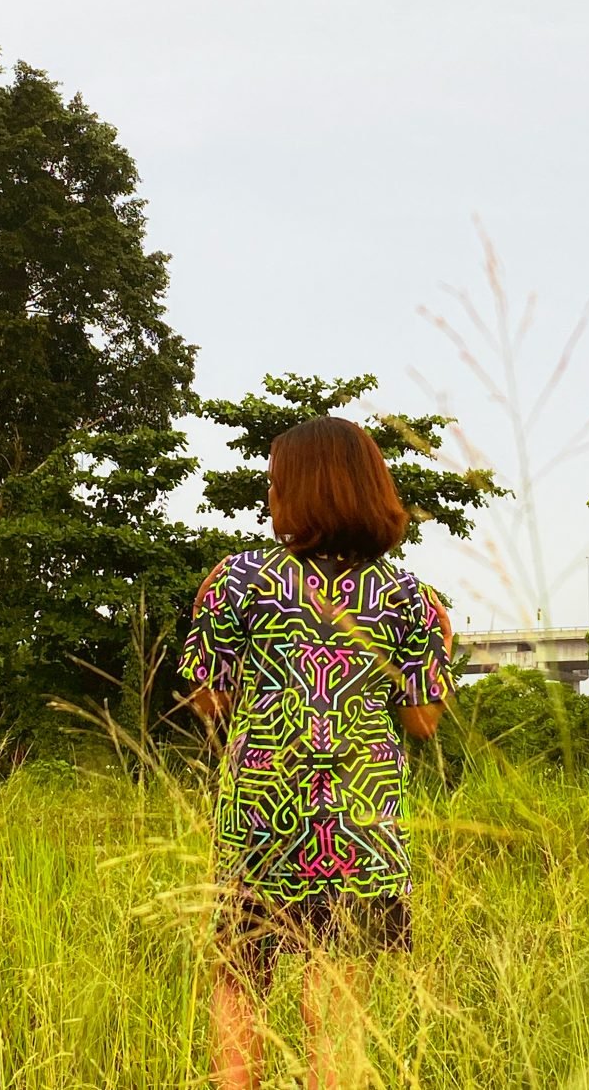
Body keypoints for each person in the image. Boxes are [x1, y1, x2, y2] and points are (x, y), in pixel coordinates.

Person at [179, 415, 454, 1090]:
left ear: (301, 491)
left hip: (260, 817)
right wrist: (442, 640)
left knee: (240, 984)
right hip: (360, 822)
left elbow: (208, 703)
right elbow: (422, 722)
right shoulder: (410, 597)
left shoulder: (236, 578)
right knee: (335, 1007)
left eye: (276, 483)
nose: (270, 496)